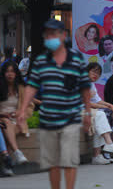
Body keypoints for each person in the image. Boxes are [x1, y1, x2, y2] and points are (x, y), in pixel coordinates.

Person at [18, 19, 91, 189]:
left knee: (69, 160)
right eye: (47, 34)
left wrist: (87, 113)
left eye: (53, 33)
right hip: (48, 119)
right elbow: (32, 87)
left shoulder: (77, 59)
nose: (49, 37)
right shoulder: (41, 61)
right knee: (52, 163)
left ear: (63, 35)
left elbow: (85, 89)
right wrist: (22, 110)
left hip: (70, 118)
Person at [85, 63, 113, 165]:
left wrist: (110, 106)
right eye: (94, 71)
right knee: (101, 114)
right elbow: (85, 102)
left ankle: (99, 155)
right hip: (78, 111)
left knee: (101, 119)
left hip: (89, 112)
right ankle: (110, 143)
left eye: (98, 73)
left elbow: (98, 100)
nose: (96, 75)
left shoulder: (91, 84)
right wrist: (105, 107)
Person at [0, 61, 30, 165]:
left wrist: (20, 112)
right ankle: (17, 152)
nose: (10, 74)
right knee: (6, 123)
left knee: (8, 132)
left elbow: (30, 106)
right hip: (1, 118)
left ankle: (6, 162)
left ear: (16, 73)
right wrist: (2, 115)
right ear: (3, 74)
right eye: (7, 71)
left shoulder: (21, 88)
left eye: (12, 71)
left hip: (16, 120)